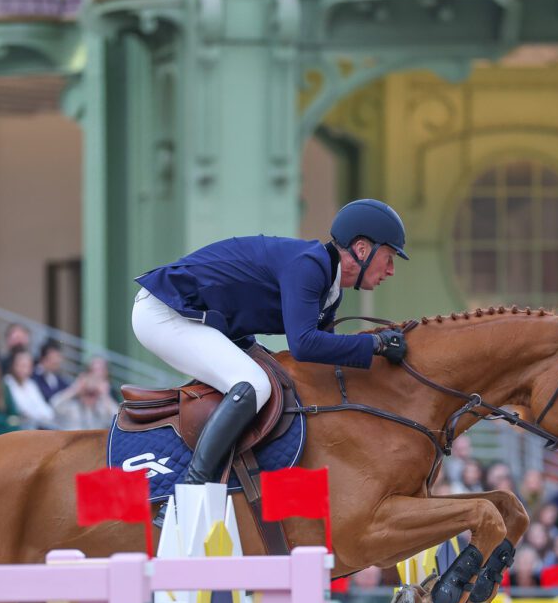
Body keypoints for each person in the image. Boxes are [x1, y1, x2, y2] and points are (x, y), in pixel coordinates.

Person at [132, 199, 409, 483]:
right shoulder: (309, 265)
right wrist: (376, 345)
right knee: (253, 384)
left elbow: (325, 359)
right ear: (362, 249)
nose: (390, 270)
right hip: (165, 312)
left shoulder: (330, 289)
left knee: (276, 380)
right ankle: (193, 484)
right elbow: (304, 345)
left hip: (208, 322)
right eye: (389, 258)